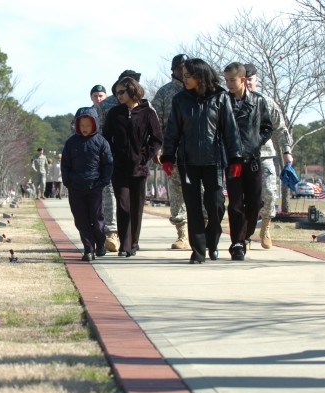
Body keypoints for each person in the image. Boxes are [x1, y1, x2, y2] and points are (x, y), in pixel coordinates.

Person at [161, 58, 242, 264]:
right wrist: (168, 156)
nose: (185, 79)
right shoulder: (180, 100)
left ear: (200, 75)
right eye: (184, 75)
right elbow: (172, 131)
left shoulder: (221, 97)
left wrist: (235, 158)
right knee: (193, 207)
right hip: (188, 163)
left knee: (216, 206)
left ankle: (212, 241)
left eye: (188, 75)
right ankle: (198, 251)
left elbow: (231, 131)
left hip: (214, 161)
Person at [103, 76, 163, 257]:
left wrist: (145, 156)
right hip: (119, 168)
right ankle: (124, 245)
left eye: (122, 92)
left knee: (136, 207)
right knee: (123, 205)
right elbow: (106, 138)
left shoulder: (148, 112)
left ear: (132, 90)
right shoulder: (114, 113)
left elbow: (157, 138)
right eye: (116, 93)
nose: (118, 96)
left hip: (140, 168)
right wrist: (113, 156)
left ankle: (133, 244)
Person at [223, 62, 273, 260]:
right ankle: (237, 242)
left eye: (232, 80)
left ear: (243, 80)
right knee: (235, 204)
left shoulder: (259, 101)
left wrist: (255, 142)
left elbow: (267, 127)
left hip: (252, 159)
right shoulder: (223, 101)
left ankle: (245, 235)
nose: (228, 84)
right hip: (232, 160)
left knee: (254, 202)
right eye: (226, 80)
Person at [244, 63, 294, 249]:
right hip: (241, 157)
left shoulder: (266, 101)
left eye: (250, 79)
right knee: (243, 198)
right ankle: (245, 234)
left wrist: (286, 151)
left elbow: (280, 128)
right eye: (244, 80)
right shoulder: (232, 101)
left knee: (269, 191)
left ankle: (265, 227)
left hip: (264, 155)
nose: (247, 83)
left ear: (256, 80)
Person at [61, 107, 113, 262]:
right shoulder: (71, 143)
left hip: (95, 186)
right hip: (76, 187)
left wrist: (104, 180)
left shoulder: (101, 142)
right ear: (77, 125)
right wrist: (67, 180)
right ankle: (88, 249)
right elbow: (65, 164)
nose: (84, 129)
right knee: (81, 219)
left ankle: (100, 243)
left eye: (87, 125)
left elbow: (108, 163)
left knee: (96, 218)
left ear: (94, 124)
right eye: (82, 125)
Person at [152, 54, 191, 250]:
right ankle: (182, 234)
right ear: (173, 69)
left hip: (195, 151)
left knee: (200, 193)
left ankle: (200, 233)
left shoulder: (198, 89)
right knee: (176, 193)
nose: (184, 71)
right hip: (172, 150)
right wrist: (157, 147)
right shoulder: (165, 93)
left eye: (187, 67)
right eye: (180, 67)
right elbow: (155, 122)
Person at [89, 84, 119, 253]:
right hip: (96, 162)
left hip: (113, 158)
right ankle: (103, 233)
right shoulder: (88, 114)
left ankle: (113, 232)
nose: (98, 99)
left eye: (101, 95)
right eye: (95, 96)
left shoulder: (114, 110)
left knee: (113, 194)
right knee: (102, 197)